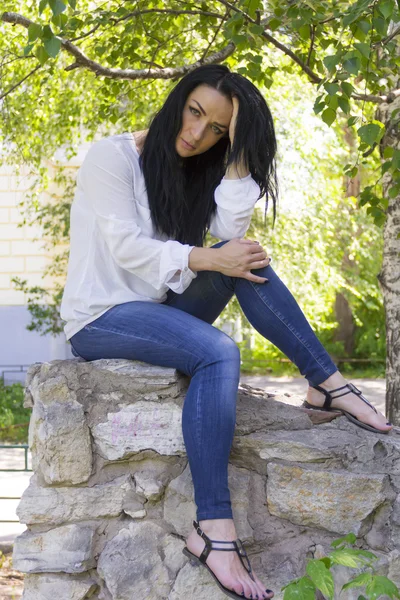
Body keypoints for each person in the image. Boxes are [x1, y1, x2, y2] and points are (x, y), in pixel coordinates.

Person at [60, 64, 392, 600]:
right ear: (178, 101)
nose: (198, 134)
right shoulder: (112, 156)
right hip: (101, 317)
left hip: (159, 311)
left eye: (217, 129)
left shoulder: (200, 167)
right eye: (195, 113)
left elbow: (230, 234)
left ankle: (324, 381)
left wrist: (237, 161)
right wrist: (210, 257)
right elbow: (127, 249)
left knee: (248, 262)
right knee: (219, 351)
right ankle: (214, 531)